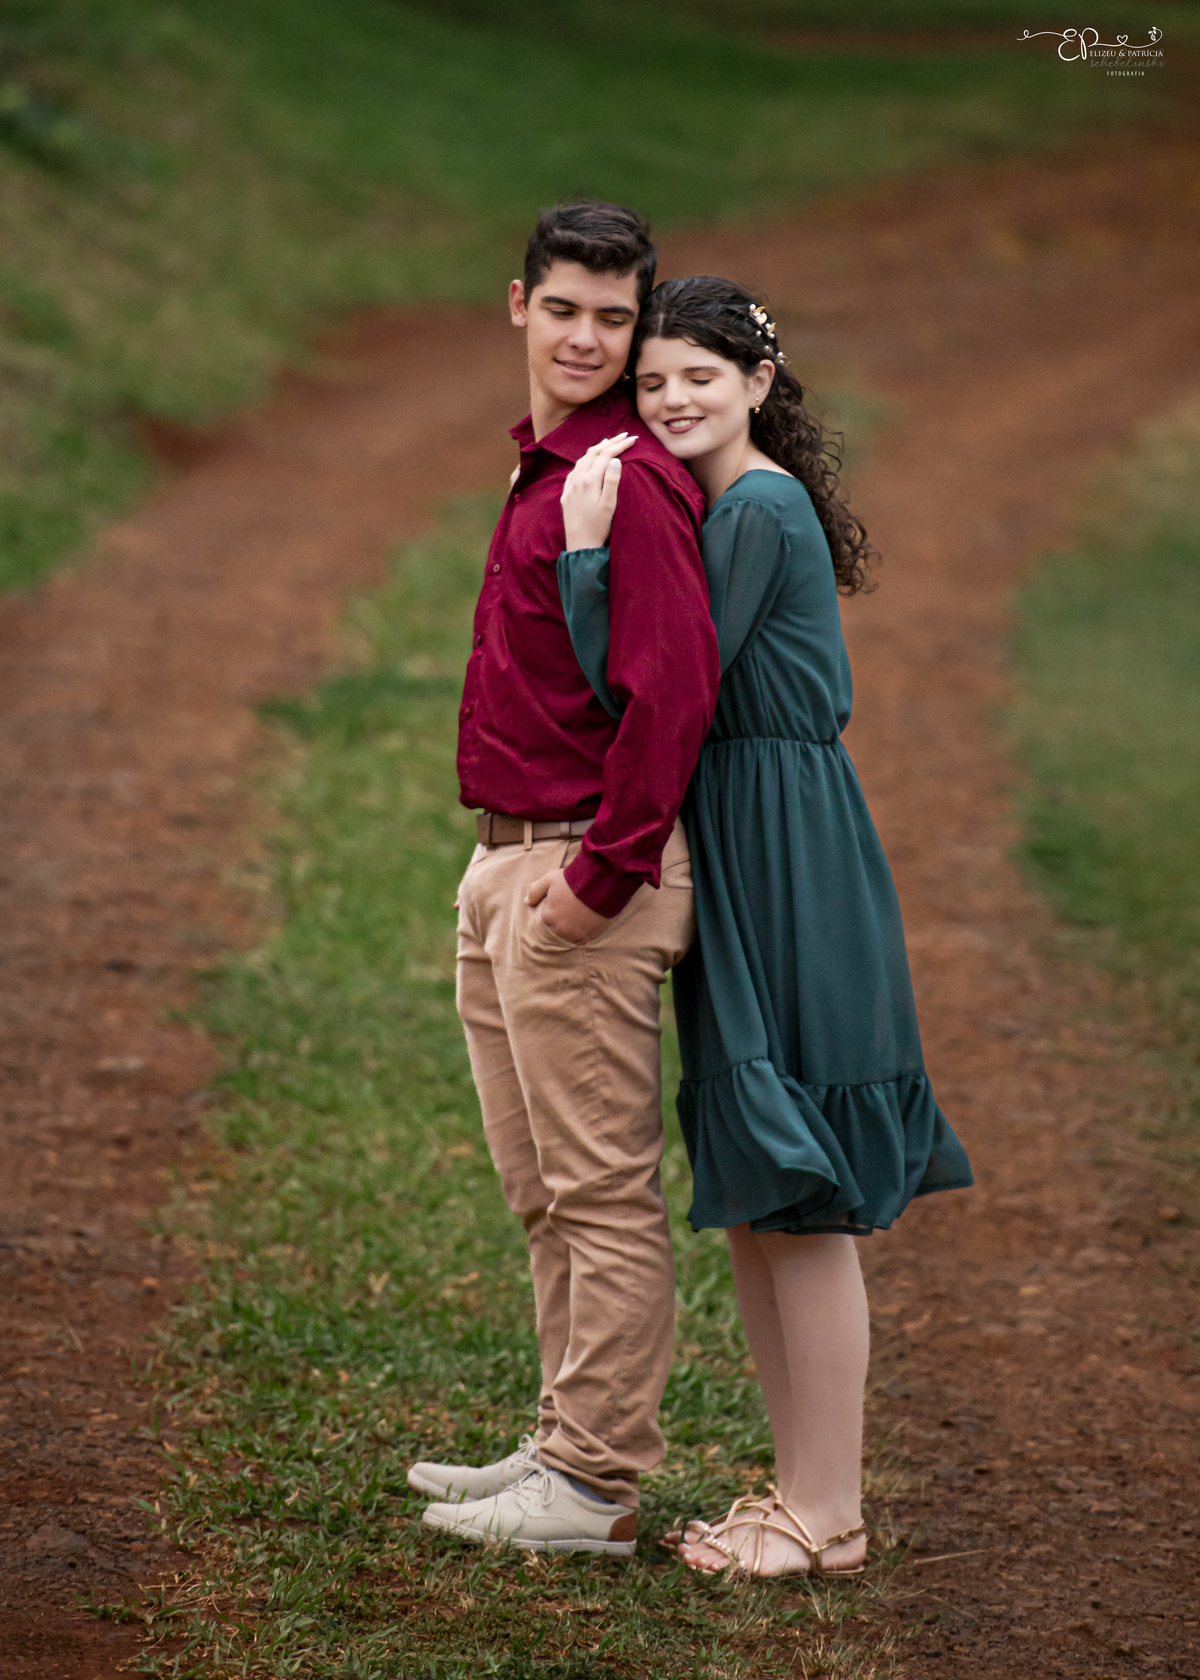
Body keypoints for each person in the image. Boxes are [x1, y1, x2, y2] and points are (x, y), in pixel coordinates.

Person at [554, 276, 974, 1578]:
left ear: (758, 382)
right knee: (762, 1191)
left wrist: (584, 554)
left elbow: (652, 685)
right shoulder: (726, 505)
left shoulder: (755, 507)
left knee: (803, 1197)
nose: (673, 398)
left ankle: (830, 1510)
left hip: (787, 849)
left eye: (700, 376)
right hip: (746, 837)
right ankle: (800, 1496)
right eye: (652, 382)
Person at [408, 205, 721, 1557]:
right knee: (541, 1194)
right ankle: (561, 1443)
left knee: (597, 1194)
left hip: (588, 871)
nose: (587, 337)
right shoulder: (548, 469)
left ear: (637, 325)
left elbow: (674, 696)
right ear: (518, 305)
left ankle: (594, 1485)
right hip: (511, 860)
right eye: (565, 309)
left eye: (614, 316)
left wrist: (598, 877)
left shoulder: (628, 478)